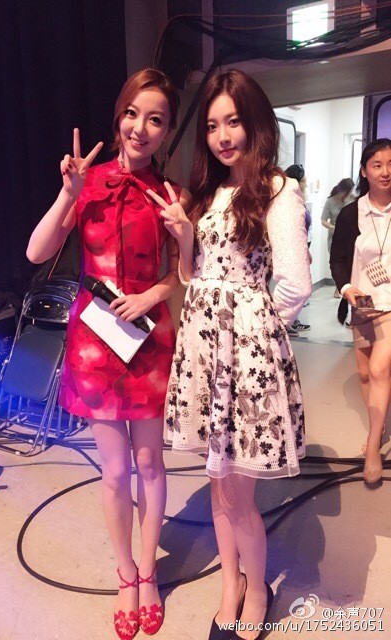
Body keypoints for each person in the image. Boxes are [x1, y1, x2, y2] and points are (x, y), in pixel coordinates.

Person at [147, 70, 311, 640]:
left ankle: (257, 589)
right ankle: (230, 585)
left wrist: (253, 330)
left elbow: (295, 285)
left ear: (254, 123)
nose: (222, 136)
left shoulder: (278, 190)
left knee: (238, 492)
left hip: (245, 360)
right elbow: (193, 278)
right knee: (217, 481)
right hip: (204, 355)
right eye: (213, 125)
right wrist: (182, 236)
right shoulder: (208, 194)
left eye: (233, 122)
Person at [27, 68, 188, 639]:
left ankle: (148, 573)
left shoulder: (171, 195)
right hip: (96, 343)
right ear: (119, 115)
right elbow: (36, 251)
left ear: (167, 131)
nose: (141, 128)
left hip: (147, 340)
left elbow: (182, 273)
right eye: (133, 113)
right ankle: (125, 574)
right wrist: (68, 194)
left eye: (156, 119)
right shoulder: (87, 182)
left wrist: (153, 293)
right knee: (116, 470)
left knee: (151, 464)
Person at [330, 138, 391, 489]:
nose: (385, 171)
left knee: (381, 369)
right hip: (363, 302)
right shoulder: (351, 213)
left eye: (390, 164)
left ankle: (372, 448)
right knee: (366, 374)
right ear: (365, 171)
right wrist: (346, 288)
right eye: (377, 165)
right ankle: (377, 429)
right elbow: (338, 259)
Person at [284, 164, 312, 335]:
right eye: (304, 181)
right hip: (292, 248)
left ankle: (292, 320)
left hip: (301, 246)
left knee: (301, 287)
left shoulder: (299, 198)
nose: (306, 184)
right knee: (297, 286)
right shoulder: (288, 200)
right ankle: (284, 322)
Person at [321, 177, 355, 298]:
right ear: (341, 189)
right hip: (335, 237)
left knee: (349, 262)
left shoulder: (352, 198)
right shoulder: (330, 201)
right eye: (346, 192)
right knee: (337, 263)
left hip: (350, 236)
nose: (347, 195)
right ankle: (338, 287)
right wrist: (333, 227)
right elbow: (323, 220)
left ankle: (345, 288)